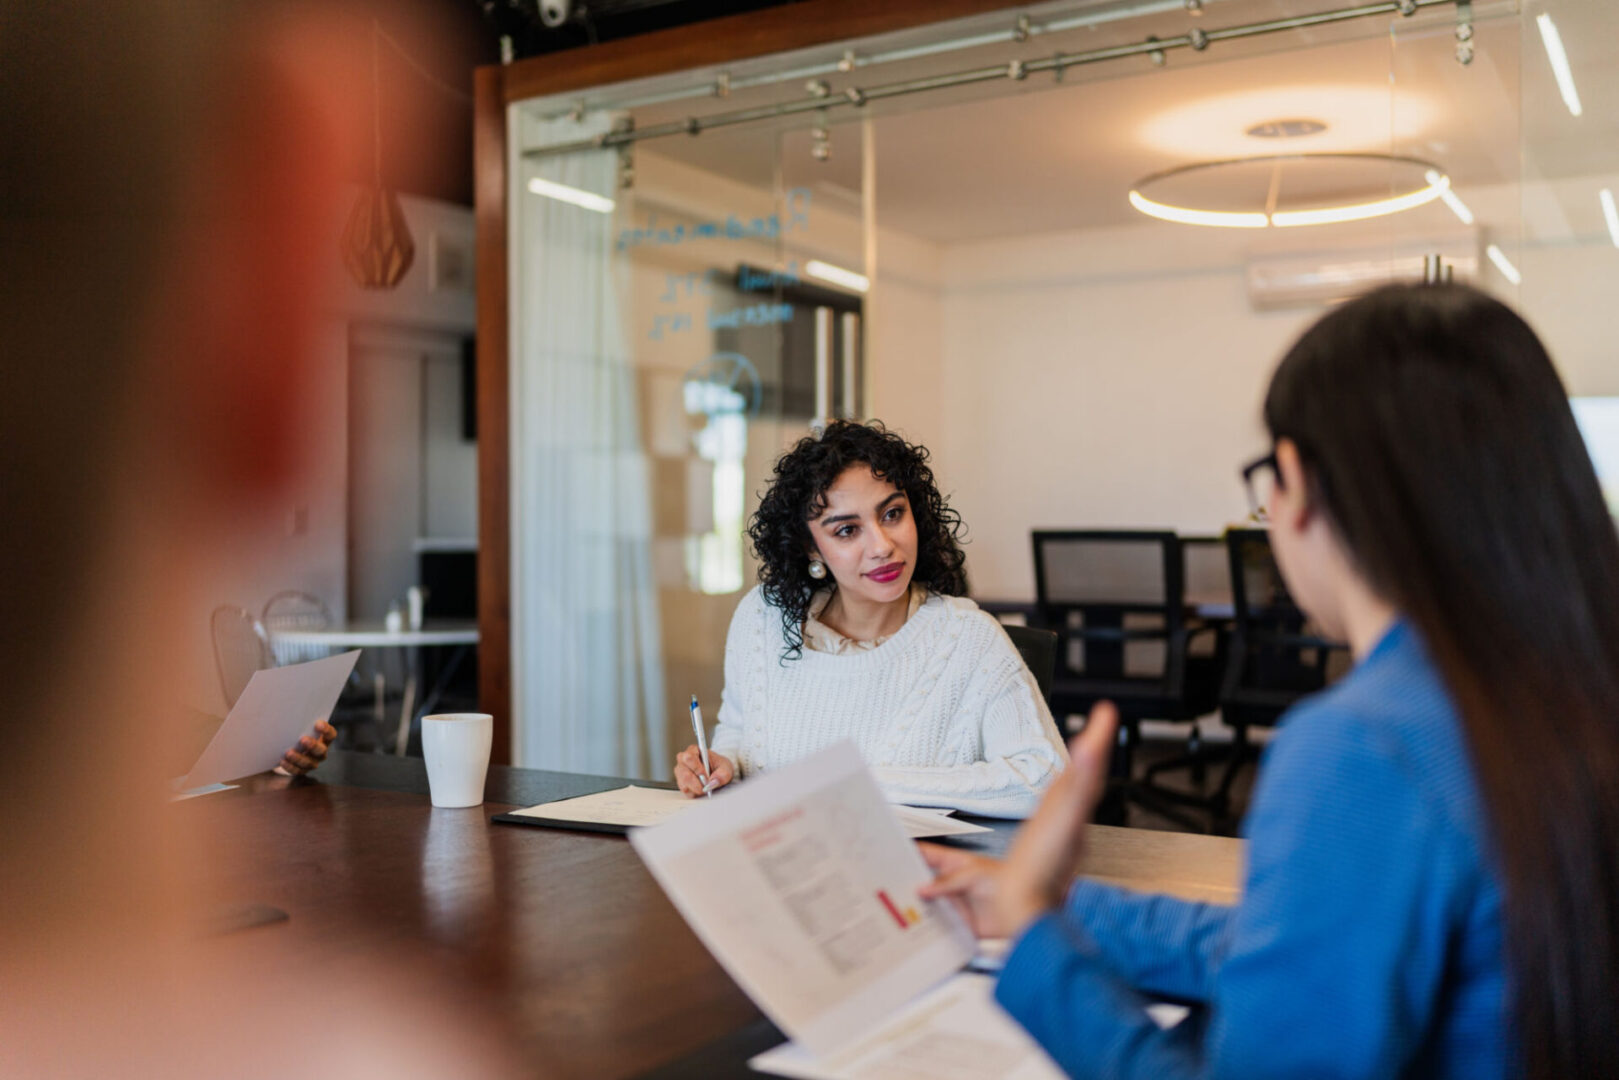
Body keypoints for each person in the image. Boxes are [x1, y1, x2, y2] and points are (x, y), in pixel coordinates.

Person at [922, 283, 1619, 1079]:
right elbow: (1305, 945)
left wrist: (1037, 949)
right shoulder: (1565, 689)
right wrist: (1040, 900)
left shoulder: (1364, 746)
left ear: (1294, 481)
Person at [673, 420, 1068, 817]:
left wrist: (866, 782)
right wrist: (721, 766)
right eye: (846, 530)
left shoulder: (969, 639)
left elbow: (1047, 783)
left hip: (915, 873)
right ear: (811, 548)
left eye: (893, 513)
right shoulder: (762, 618)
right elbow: (739, 733)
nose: (882, 546)